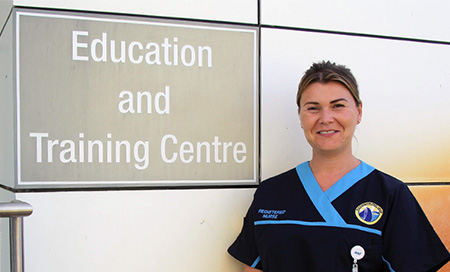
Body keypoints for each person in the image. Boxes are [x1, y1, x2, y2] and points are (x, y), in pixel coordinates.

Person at [228, 61, 450, 272]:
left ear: (359, 112)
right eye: (313, 108)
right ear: (300, 116)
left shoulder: (390, 195)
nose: (326, 118)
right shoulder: (271, 194)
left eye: (338, 106)